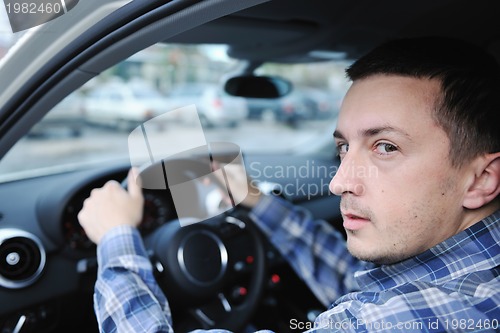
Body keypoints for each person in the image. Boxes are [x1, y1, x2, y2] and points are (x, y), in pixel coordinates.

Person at [78, 36, 500, 333]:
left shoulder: (378, 322)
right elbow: (349, 277)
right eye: (343, 148)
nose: (337, 183)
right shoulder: (465, 282)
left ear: (482, 179)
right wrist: (256, 199)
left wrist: (116, 238)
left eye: (385, 147)